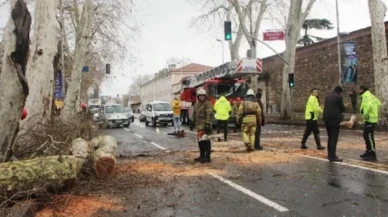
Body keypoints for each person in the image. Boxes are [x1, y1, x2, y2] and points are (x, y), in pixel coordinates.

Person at [323, 86, 345, 162]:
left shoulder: (327, 96)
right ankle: (332, 156)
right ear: (339, 92)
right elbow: (342, 108)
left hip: (326, 119)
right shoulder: (338, 97)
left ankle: (329, 154)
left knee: (329, 137)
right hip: (334, 119)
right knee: (334, 138)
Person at [359, 85, 381, 161]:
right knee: (366, 135)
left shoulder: (366, 96)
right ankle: (368, 150)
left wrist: (365, 115)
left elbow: (368, 106)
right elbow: (378, 102)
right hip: (371, 118)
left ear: (362, 89)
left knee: (369, 136)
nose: (359, 91)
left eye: (359, 90)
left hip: (370, 119)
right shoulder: (370, 95)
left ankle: (372, 153)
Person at [190, 88, 213, 163]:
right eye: (200, 96)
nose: (202, 97)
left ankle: (207, 157)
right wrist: (192, 122)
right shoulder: (196, 104)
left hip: (205, 125)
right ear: (198, 96)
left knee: (206, 142)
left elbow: (209, 114)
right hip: (199, 126)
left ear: (205, 96)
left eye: (203, 96)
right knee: (200, 142)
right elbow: (194, 114)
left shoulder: (207, 103)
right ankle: (202, 155)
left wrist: (207, 123)